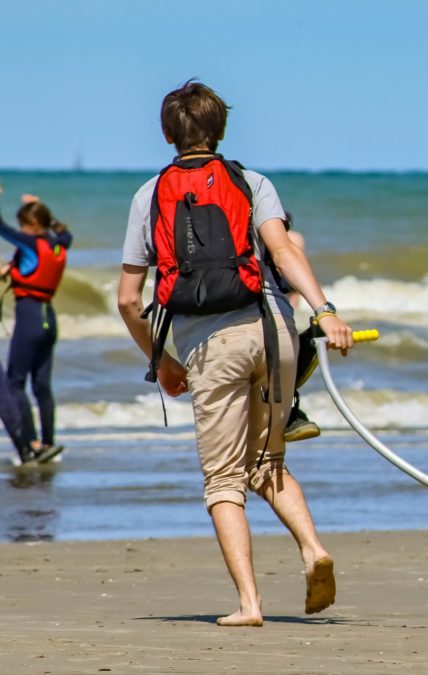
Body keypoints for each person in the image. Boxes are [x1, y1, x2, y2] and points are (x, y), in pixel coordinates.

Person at [116, 80, 354, 627]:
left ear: (167, 133)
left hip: (211, 346)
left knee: (223, 480)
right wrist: (324, 311)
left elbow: (129, 299)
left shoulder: (149, 195)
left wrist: (163, 361)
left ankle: (250, 604)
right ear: (220, 128)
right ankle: (313, 548)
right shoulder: (251, 181)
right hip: (275, 332)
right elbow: (283, 250)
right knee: (267, 461)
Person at [0, 187, 70, 464]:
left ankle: (31, 445)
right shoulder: (57, 243)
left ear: (31, 226)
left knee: (15, 382)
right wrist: (44, 210)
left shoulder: (30, 244)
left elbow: (1, 228)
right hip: (49, 318)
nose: (20, 231)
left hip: (29, 316)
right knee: (42, 386)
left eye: (23, 226)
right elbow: (67, 234)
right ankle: (48, 443)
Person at [265, 213, 320, 442]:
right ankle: (289, 411)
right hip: (282, 306)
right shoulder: (293, 238)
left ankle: (287, 412)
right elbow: (295, 283)